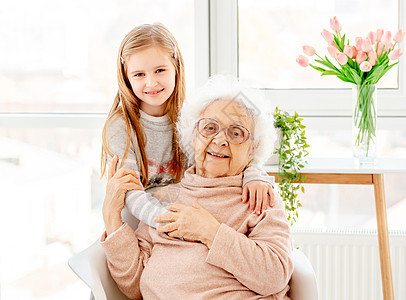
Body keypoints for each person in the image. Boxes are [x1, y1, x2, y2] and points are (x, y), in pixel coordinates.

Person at [101, 75, 294, 299]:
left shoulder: (258, 198)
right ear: (193, 136)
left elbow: (274, 276)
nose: (220, 140)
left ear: (253, 149)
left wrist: (209, 231)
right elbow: (134, 286)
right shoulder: (164, 200)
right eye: (210, 128)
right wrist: (111, 217)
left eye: (236, 132)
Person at [100, 23, 276, 230]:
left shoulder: (192, 115)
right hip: (144, 223)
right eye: (139, 75)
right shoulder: (121, 127)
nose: (151, 83)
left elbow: (226, 152)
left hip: (189, 217)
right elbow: (129, 191)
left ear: (176, 67)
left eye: (160, 70)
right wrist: (169, 219)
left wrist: (255, 175)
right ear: (126, 77)